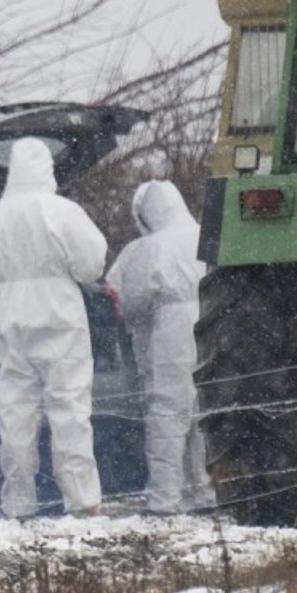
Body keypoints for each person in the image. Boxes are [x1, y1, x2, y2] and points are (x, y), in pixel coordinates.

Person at [0, 137, 109, 518]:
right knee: (69, 410)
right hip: (60, 318)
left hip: (11, 320)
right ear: (47, 168)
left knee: (14, 415)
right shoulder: (61, 211)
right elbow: (91, 264)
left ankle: (19, 503)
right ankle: (82, 501)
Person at [106, 179, 217, 515]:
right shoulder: (208, 235)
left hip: (172, 327)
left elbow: (132, 303)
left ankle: (164, 498)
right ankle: (205, 491)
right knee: (203, 411)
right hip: (212, 320)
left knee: (167, 412)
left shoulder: (150, 248)